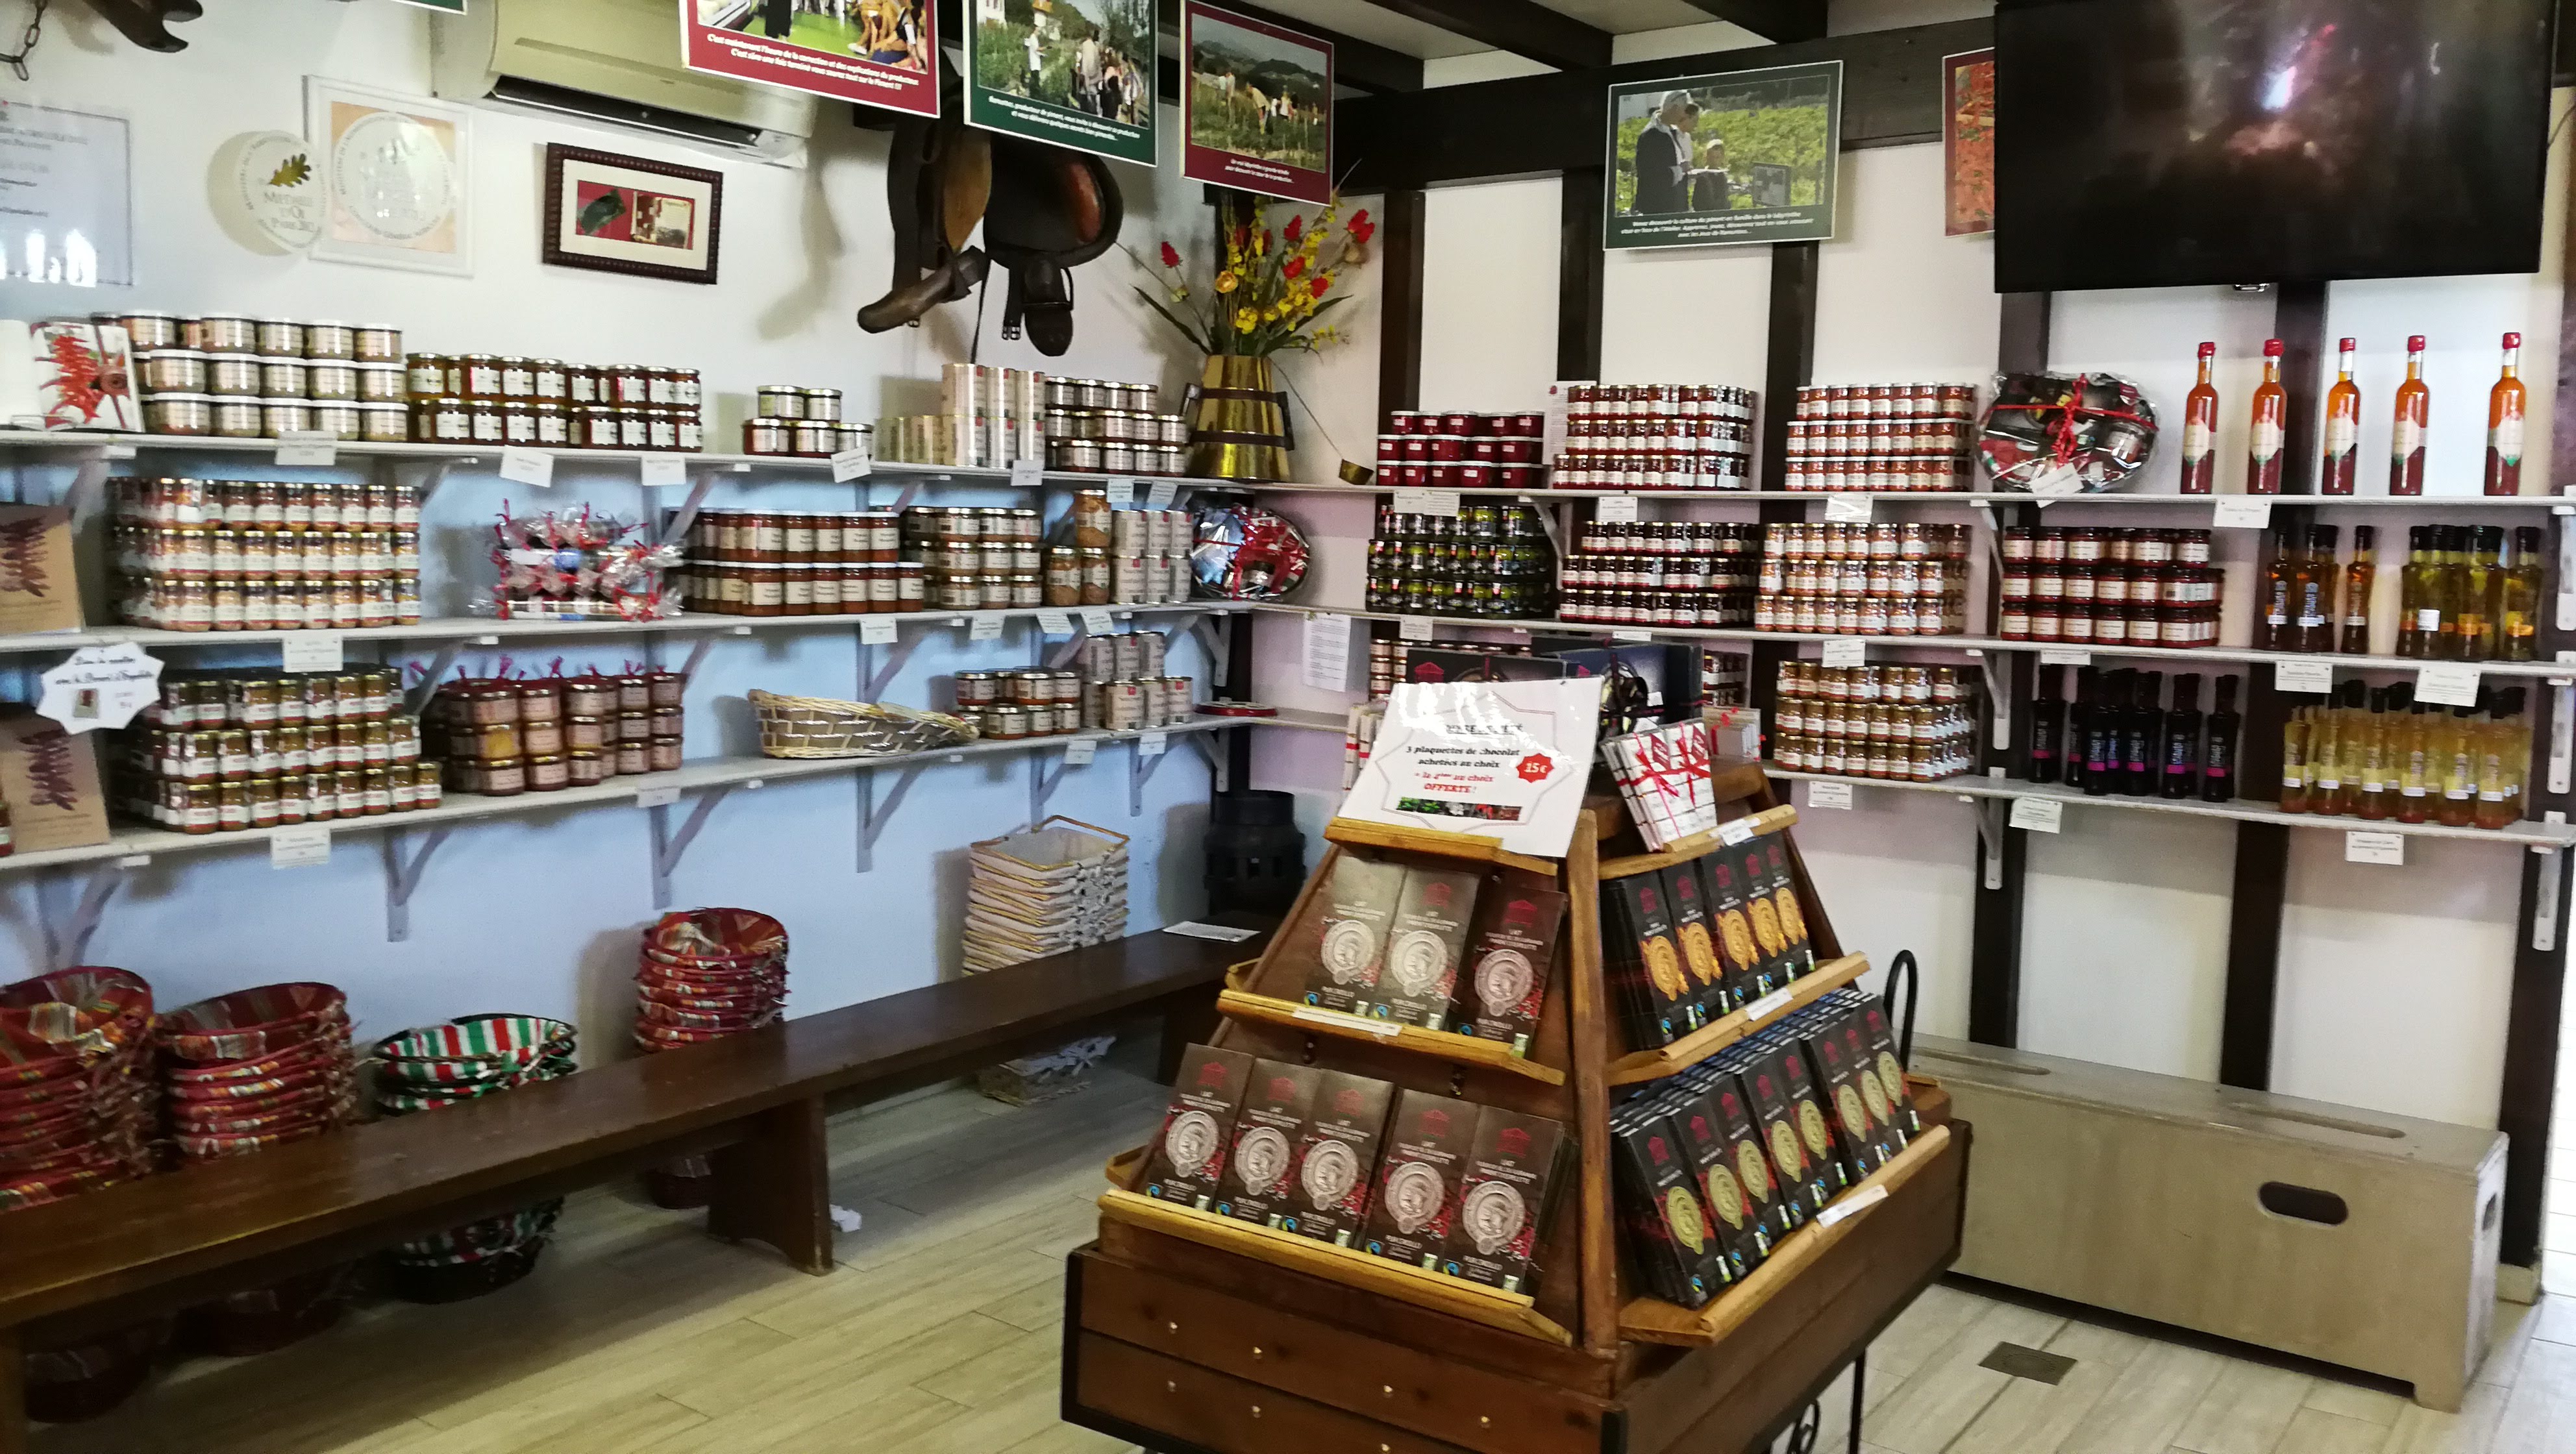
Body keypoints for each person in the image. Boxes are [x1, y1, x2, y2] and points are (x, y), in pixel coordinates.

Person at [1631, 91, 1696, 216]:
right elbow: (1649, 175)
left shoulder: (1672, 132)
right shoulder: (1650, 136)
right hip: (1658, 209)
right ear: (1675, 108)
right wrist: (1680, 170)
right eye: (1685, 111)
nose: (1685, 116)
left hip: (1676, 207)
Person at [1023, 26, 1042, 97]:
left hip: (1035, 63)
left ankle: (1034, 92)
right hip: (1034, 64)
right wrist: (1046, 48)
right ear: (1035, 31)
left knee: (1035, 78)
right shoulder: (1033, 38)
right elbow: (1037, 49)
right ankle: (1034, 94)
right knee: (1035, 79)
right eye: (1038, 31)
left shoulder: (1034, 38)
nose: (1039, 33)